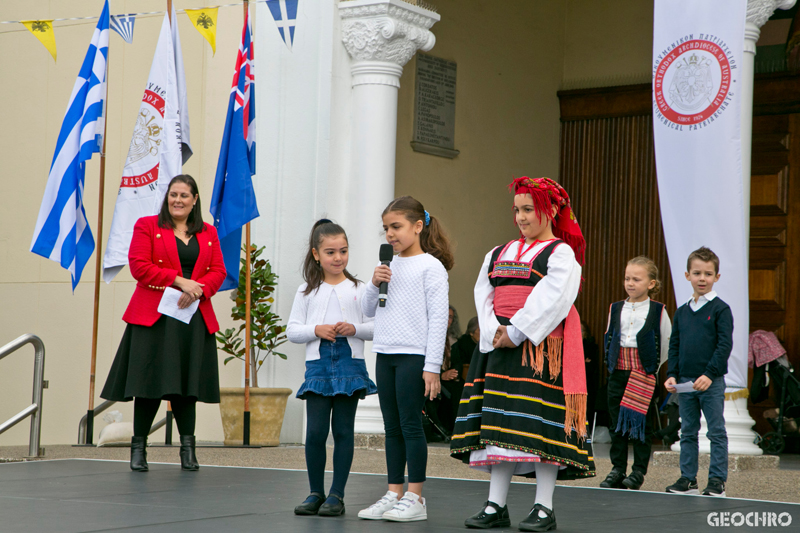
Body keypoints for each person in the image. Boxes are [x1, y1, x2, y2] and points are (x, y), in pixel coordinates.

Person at [451, 177, 594, 532]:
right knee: (499, 423)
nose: (521, 217)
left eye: (528, 209)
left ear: (552, 210)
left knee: (538, 425)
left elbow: (555, 298)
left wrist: (515, 332)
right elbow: (483, 291)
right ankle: (495, 504)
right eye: (517, 209)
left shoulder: (561, 254)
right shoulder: (498, 252)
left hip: (539, 350)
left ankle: (544, 507)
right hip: (499, 346)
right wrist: (491, 331)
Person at [101, 175, 226, 472]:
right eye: (173, 195)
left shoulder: (209, 232)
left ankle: (187, 451)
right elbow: (139, 266)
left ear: (195, 199)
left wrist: (199, 290)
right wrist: (180, 282)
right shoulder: (147, 225)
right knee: (148, 384)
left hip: (192, 317)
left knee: (187, 386)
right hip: (153, 318)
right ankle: (139, 449)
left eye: (184, 195)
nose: (177, 200)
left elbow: (219, 270)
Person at [358, 196, 453, 522]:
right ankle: (393, 491)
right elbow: (366, 309)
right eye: (386, 228)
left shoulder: (431, 266)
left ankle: (416, 496)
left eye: (396, 227)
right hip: (385, 353)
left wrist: (432, 367)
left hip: (414, 355)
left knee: (411, 425)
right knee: (392, 426)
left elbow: (439, 319)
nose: (390, 234)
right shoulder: (389, 266)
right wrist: (374, 282)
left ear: (417, 226)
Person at [287, 219, 377, 517]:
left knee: (342, 431)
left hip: (350, 363)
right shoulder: (306, 291)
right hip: (318, 365)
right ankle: (316, 492)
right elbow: (293, 331)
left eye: (343, 251)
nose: (338, 258)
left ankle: (336, 495)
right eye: (330, 252)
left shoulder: (360, 288)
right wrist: (317, 329)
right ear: (316, 254)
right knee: (314, 432)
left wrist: (354, 328)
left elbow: (376, 326)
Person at [664, 246, 733, 497]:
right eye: (696, 273)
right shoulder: (682, 312)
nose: (702, 278)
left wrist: (709, 374)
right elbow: (675, 345)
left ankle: (716, 481)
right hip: (685, 383)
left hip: (710, 382)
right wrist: (672, 374)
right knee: (688, 431)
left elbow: (724, 345)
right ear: (687, 276)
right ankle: (688, 479)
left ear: (717, 277)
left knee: (716, 431)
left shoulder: (720, 309)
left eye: (707, 273)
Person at [599, 256, 671, 491]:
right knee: (616, 424)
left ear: (651, 283)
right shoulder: (616, 307)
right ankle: (617, 469)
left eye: (637, 279)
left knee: (641, 425)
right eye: (627, 278)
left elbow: (666, 342)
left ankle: (638, 471)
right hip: (618, 372)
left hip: (642, 374)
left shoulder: (658, 310)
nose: (630, 283)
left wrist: (650, 369)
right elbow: (610, 336)